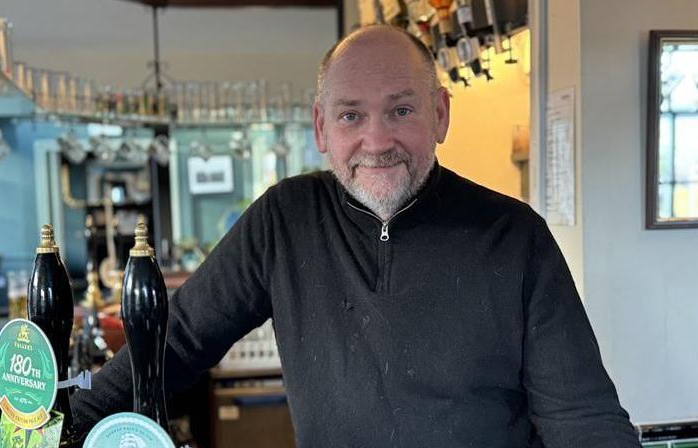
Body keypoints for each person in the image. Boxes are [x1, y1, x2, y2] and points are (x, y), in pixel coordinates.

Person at [71, 26, 641, 447]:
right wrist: (64, 422)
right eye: (351, 116)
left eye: (400, 110)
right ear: (321, 126)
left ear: (440, 114)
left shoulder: (517, 239)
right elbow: (177, 341)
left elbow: (584, 420)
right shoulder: (285, 220)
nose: (377, 139)